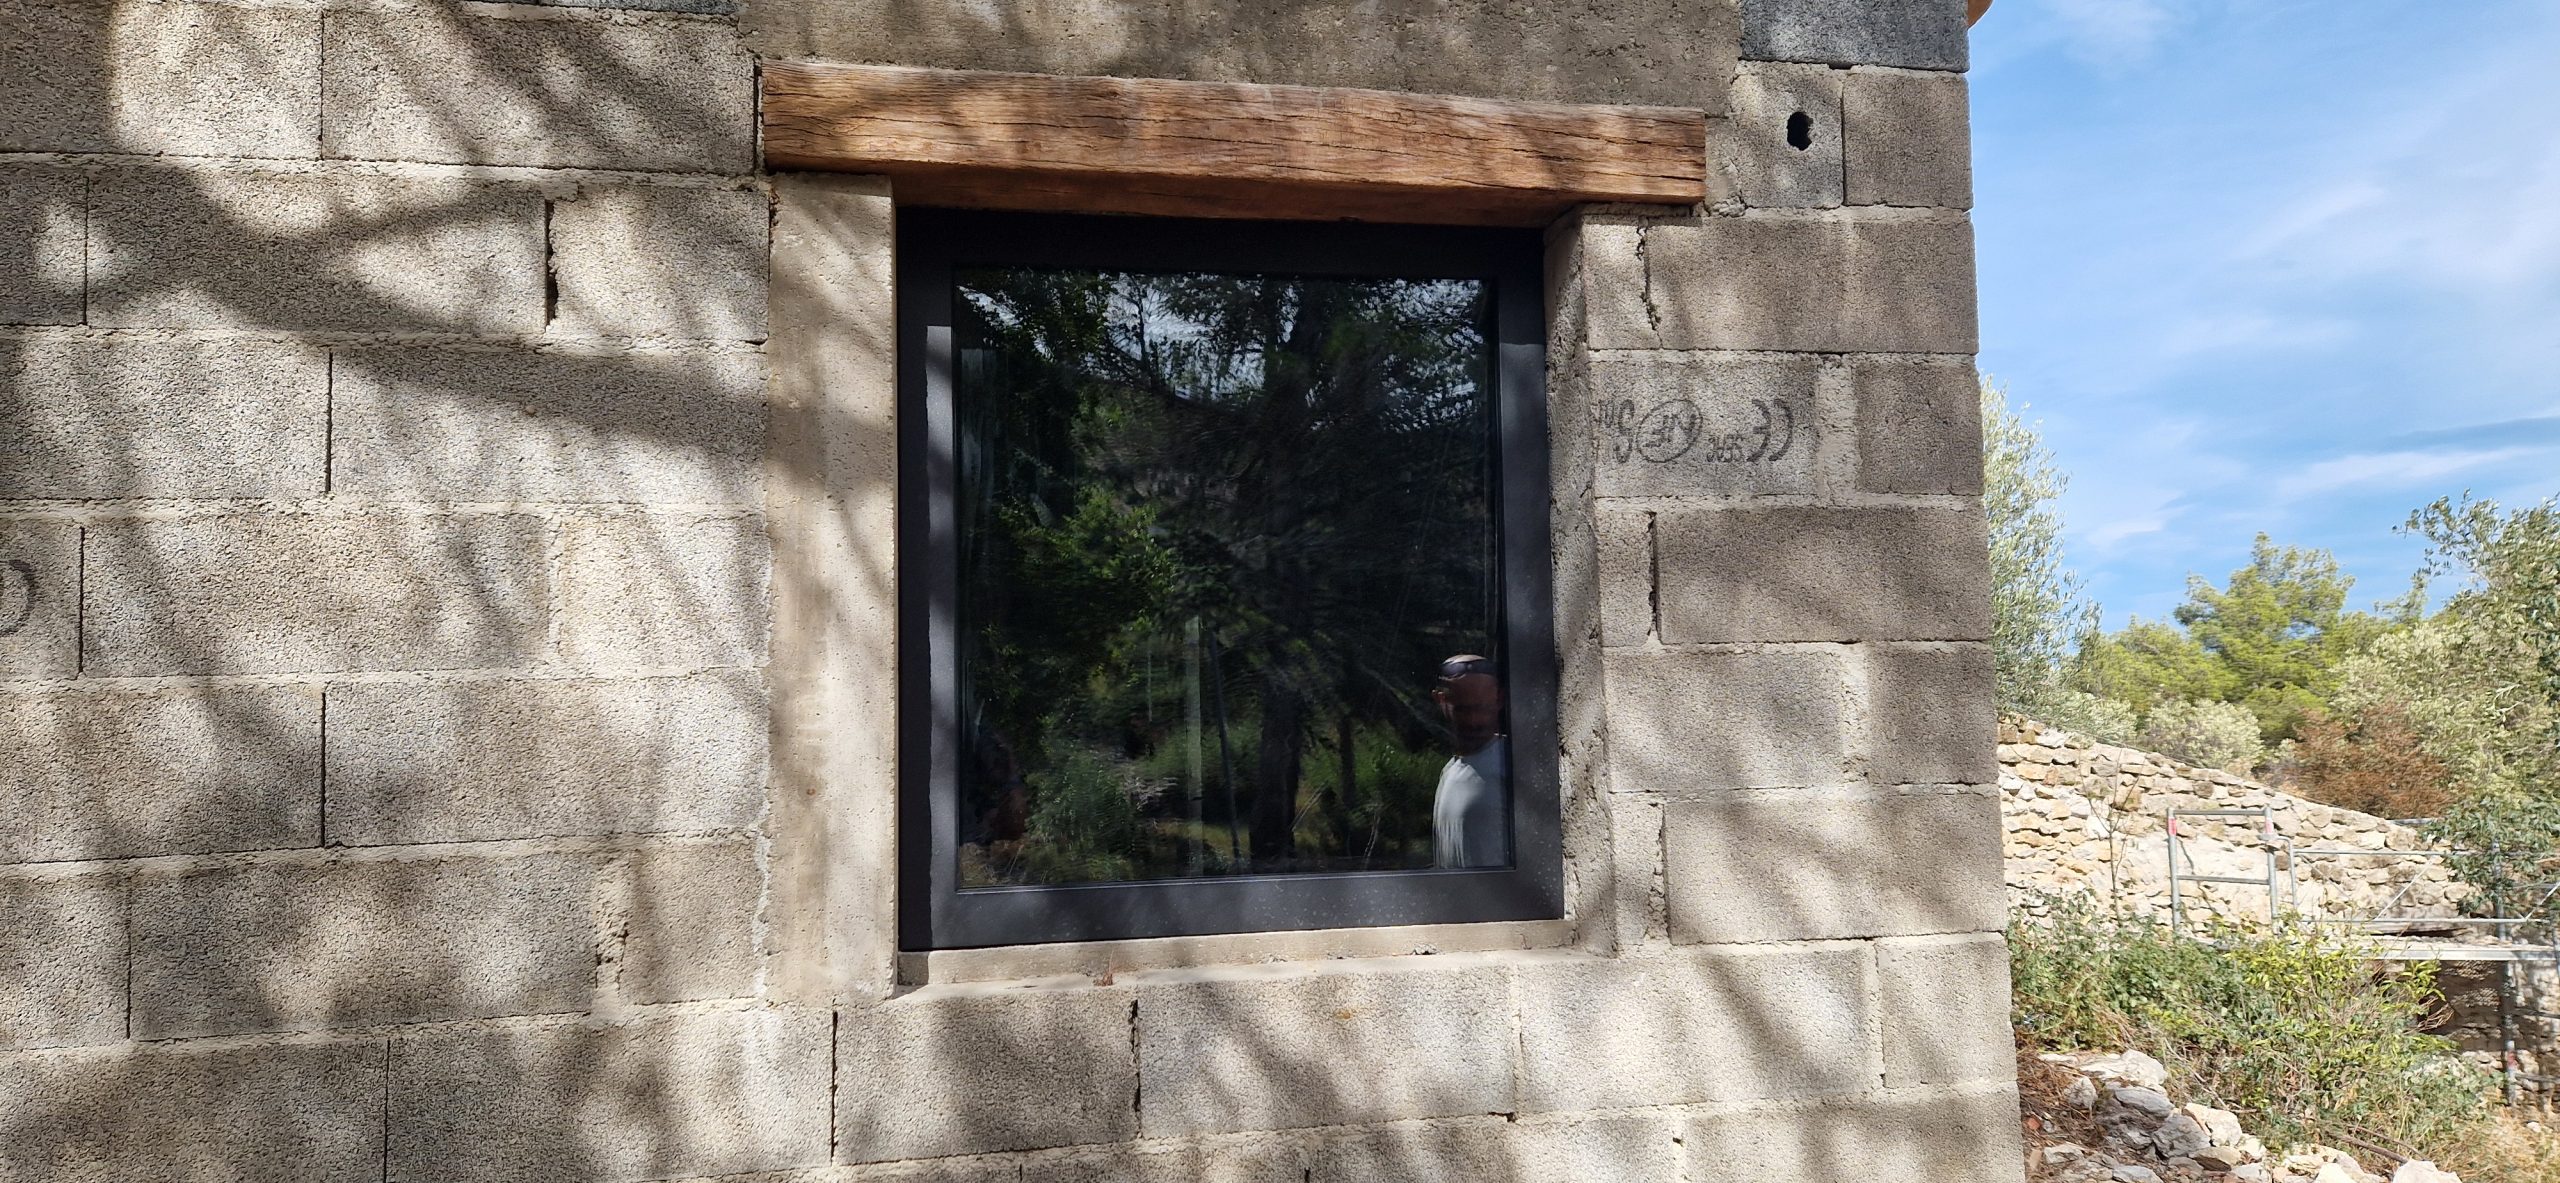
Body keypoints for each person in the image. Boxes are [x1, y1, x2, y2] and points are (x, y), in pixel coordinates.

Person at [1430, 654, 1510, 869]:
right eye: (1463, 710)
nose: (1475, 721)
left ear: (1499, 700)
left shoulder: (1512, 764)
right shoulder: (1450, 771)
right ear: (1441, 701)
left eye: (1483, 708)